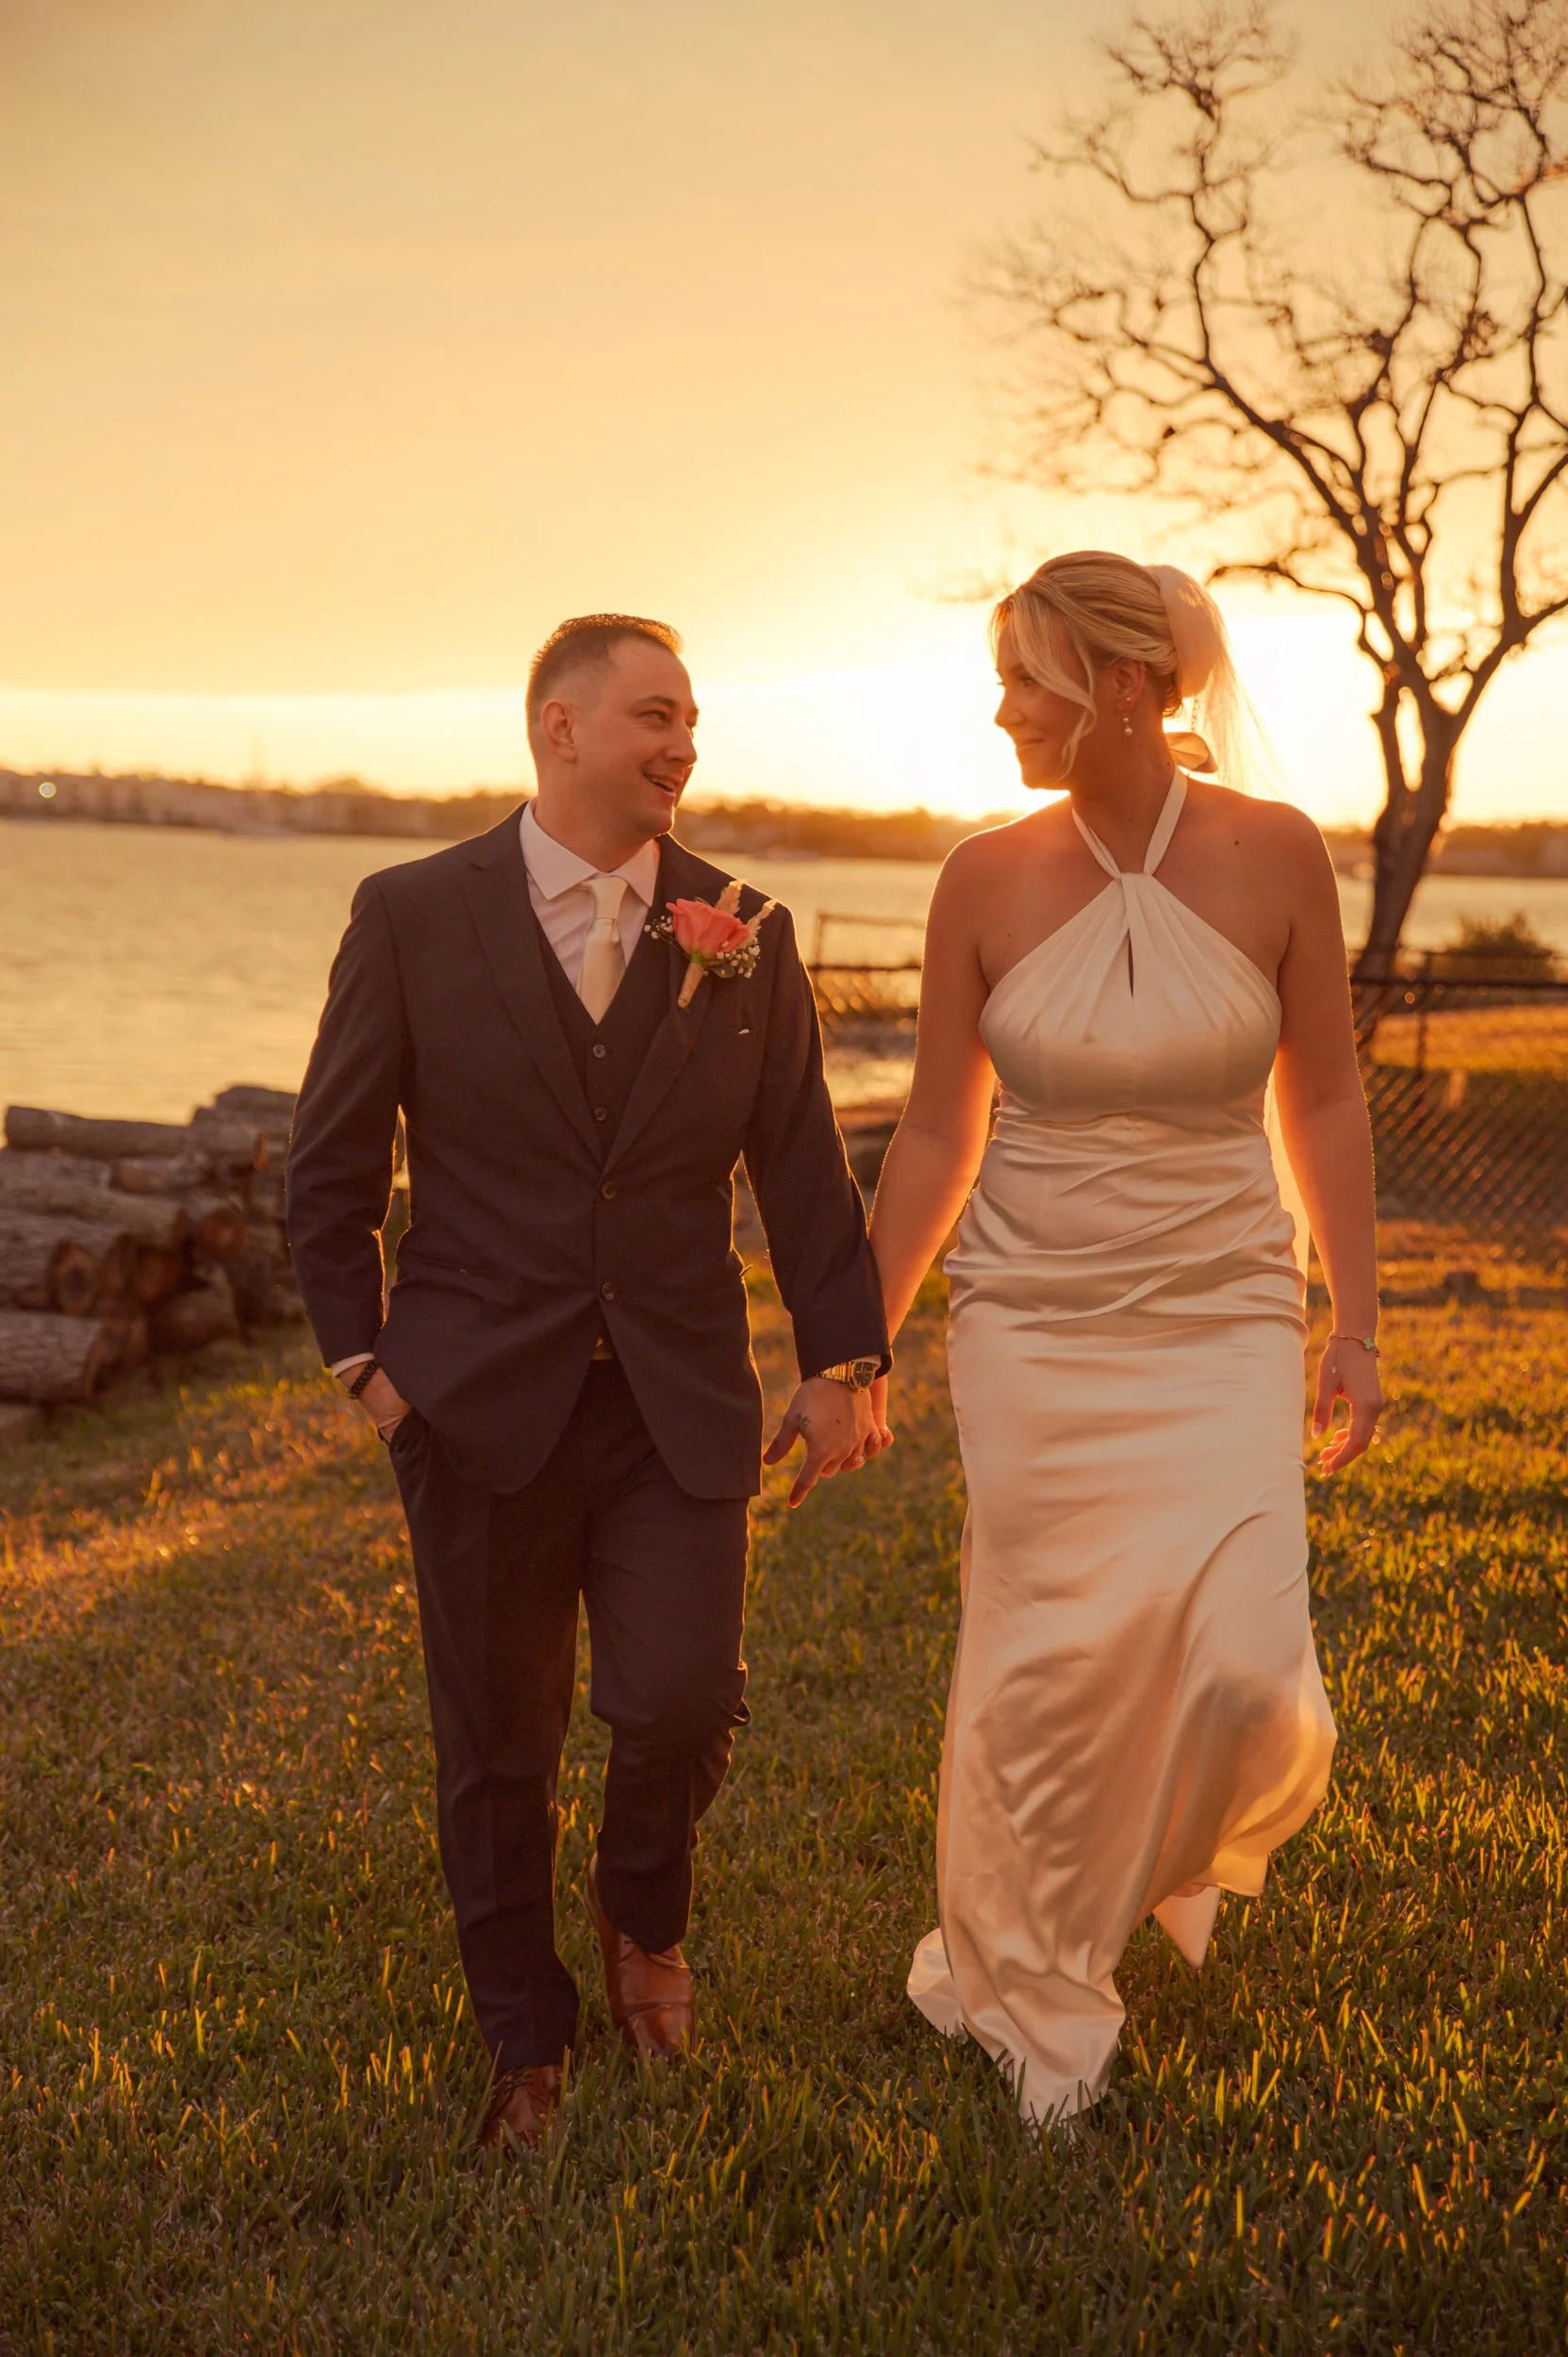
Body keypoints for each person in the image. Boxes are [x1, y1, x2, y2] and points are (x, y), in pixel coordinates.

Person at [288, 614, 890, 2160]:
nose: (682, 744)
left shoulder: (742, 928)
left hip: (676, 1399)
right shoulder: (412, 913)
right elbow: (331, 1166)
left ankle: (643, 1913)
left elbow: (801, 1167)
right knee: (498, 1741)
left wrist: (841, 1360)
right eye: (652, 715)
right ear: (558, 728)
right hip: (473, 1403)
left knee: (682, 1699)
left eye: (690, 719)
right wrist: (367, 1367)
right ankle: (524, 2037)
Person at [867, 552, 1380, 2126]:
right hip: (1032, 1317)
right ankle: (1030, 1984)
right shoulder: (980, 877)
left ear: (1128, 687)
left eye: (1026, 681)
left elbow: (1322, 1094)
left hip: (1222, 1307)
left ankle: (1117, 1870)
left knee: (1243, 1667)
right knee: (1041, 1664)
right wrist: (855, 1345)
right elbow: (937, 1131)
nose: (1002, 713)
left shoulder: (1274, 853)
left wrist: (1353, 1320)